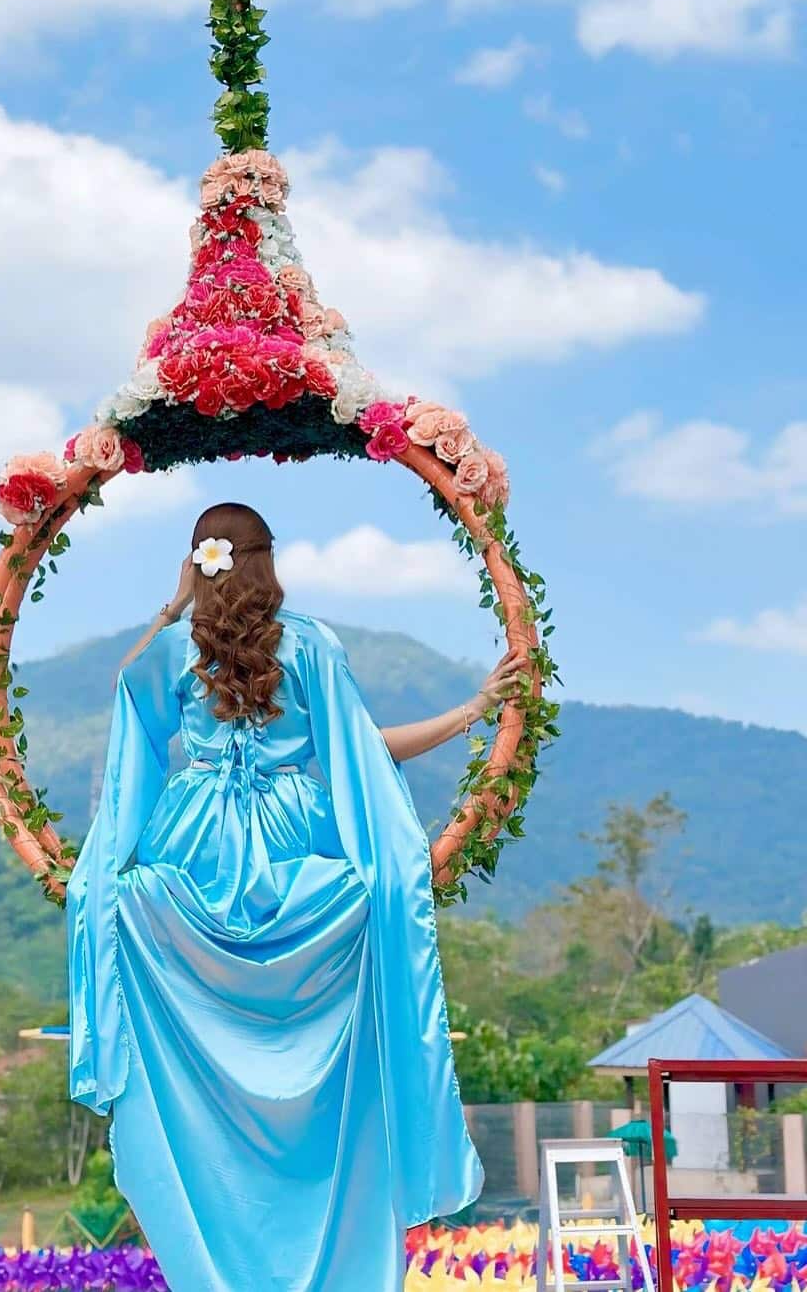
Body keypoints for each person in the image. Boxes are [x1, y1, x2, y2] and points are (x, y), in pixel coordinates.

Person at [67, 501, 527, 1292]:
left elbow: (128, 698)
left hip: (191, 847)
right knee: (361, 917)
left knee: (128, 908)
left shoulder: (175, 648)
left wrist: (172, 607)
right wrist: (472, 712)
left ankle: (219, 1203)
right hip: (291, 841)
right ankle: (321, 1193)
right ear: (266, 560)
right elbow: (361, 752)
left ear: (198, 562)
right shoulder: (310, 644)